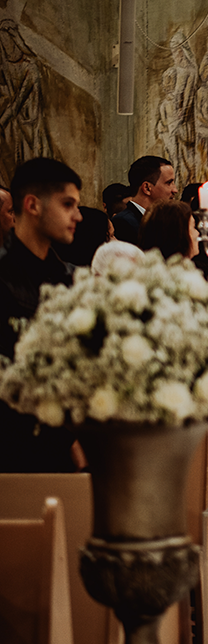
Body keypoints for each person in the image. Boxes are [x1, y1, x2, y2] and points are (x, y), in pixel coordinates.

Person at [0, 157, 83, 473]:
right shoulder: (3, 279)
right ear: (32, 205)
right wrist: (67, 440)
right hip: (18, 453)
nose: (77, 215)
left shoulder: (66, 277)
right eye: (67, 204)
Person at [112, 155, 177, 244]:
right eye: (169, 183)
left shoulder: (165, 220)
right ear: (147, 188)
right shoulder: (123, 223)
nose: (175, 190)